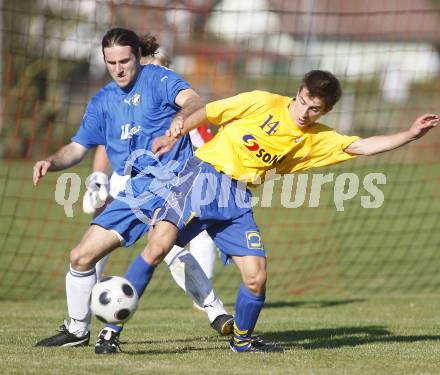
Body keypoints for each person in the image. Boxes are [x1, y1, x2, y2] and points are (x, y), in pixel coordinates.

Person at [122, 70, 438, 353]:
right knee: (158, 246)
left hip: (237, 198)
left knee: (257, 278)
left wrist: (410, 135)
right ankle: (112, 329)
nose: (305, 111)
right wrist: (173, 133)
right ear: (298, 93)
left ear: (325, 111)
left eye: (314, 108)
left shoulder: (318, 138)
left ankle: (242, 341)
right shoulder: (262, 102)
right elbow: (209, 111)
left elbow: (364, 146)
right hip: (204, 175)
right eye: (302, 101)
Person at [32, 28, 233, 353]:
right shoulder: (103, 102)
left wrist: (180, 121)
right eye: (111, 62)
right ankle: (77, 329)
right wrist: (51, 162)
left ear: (137, 57)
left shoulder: (158, 79)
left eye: (125, 60)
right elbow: (77, 148)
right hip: (137, 188)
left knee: (163, 247)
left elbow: (194, 101)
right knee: (81, 256)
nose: (119, 68)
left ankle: (214, 311)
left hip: (178, 180)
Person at [85, 51, 219, 312]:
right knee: (98, 239)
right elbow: (106, 140)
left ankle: (209, 305)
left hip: (164, 184)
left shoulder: (177, 108)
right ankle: (89, 297)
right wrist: (98, 177)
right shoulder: (121, 100)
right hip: (125, 181)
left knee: (167, 245)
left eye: (159, 70)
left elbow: (207, 147)